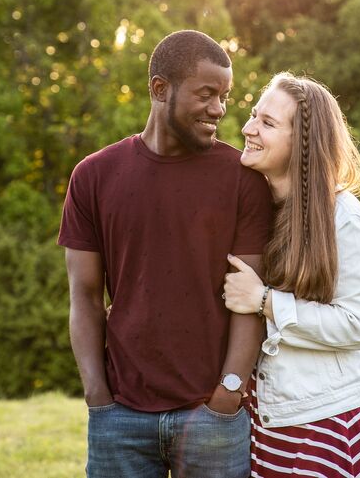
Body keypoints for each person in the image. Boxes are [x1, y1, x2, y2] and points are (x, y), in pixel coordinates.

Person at [58, 30, 273, 478]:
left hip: (213, 416)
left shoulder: (242, 179)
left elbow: (249, 300)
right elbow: (84, 295)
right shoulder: (93, 177)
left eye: (225, 96)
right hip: (120, 418)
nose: (219, 108)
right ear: (160, 89)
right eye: (207, 94)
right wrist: (98, 396)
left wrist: (228, 392)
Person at [223, 72, 360, 478]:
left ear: (302, 143)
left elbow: (355, 325)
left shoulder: (342, 217)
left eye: (267, 123)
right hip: (270, 421)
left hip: (327, 421)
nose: (248, 129)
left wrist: (265, 301)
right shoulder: (257, 209)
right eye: (253, 115)